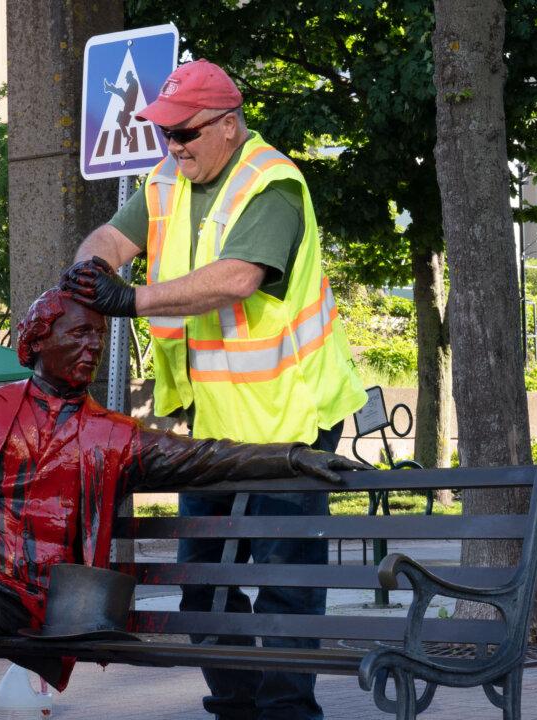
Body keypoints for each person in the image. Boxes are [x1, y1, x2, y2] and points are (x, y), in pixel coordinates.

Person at [0, 289, 365, 720]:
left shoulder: (114, 435)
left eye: (99, 335)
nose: (93, 346)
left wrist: (295, 456)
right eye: (79, 333)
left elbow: (208, 458)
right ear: (37, 340)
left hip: (41, 598)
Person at [62, 59, 368, 720]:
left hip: (291, 418)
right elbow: (112, 237)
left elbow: (237, 279)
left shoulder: (274, 184)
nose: (174, 145)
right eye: (165, 133)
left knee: (285, 584)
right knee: (204, 586)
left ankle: (288, 712)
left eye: (186, 132)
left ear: (228, 126)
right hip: (216, 424)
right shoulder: (169, 180)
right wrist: (88, 273)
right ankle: (238, 706)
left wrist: (132, 297)